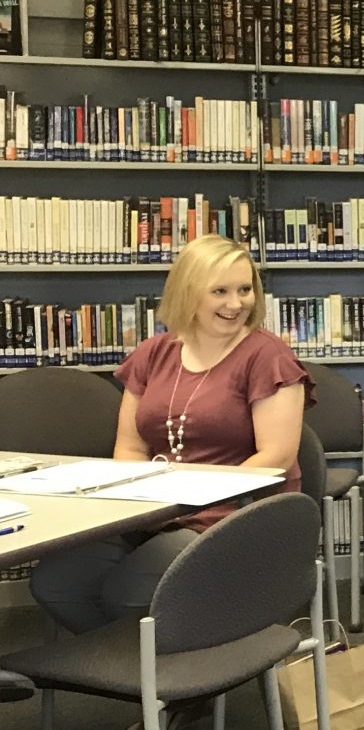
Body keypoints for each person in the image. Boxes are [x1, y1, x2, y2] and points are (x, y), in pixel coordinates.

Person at [31, 235, 309, 639]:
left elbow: (277, 457)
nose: (236, 304)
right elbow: (129, 447)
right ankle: (146, 668)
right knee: (58, 582)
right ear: (188, 292)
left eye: (245, 289)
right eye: (220, 291)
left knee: (131, 594)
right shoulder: (153, 354)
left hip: (234, 513)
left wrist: (195, 496)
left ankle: (188, 676)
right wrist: (135, 507)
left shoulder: (268, 357)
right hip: (156, 510)